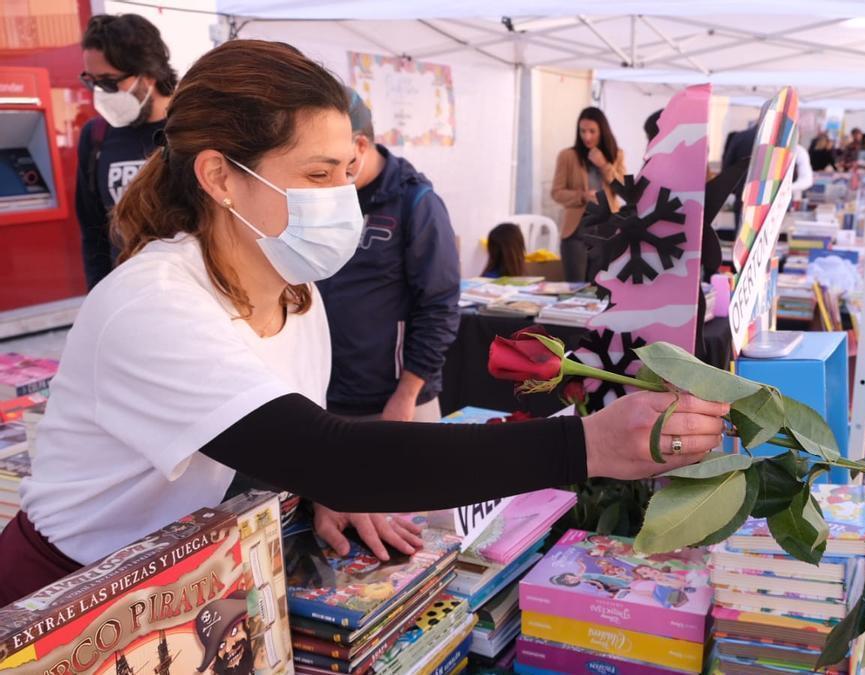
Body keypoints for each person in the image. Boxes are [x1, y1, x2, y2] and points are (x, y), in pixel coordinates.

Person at [0, 40, 729, 606]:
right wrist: (586, 444)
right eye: (316, 176)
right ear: (220, 177)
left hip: (192, 583)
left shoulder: (296, 291)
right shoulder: (151, 303)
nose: (339, 200)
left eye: (345, 174)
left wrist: (318, 489)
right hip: (70, 597)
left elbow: (276, 441)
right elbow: (328, 450)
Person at [316, 88, 459, 424]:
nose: (327, 173)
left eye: (335, 160)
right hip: (327, 394)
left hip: (395, 402)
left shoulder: (416, 202)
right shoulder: (324, 199)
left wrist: (407, 393)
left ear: (361, 145)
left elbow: (440, 305)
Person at [76, 14, 176, 289]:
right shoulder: (95, 136)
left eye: (108, 81)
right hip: (127, 294)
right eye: (91, 81)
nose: (100, 93)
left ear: (150, 73)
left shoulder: (192, 128)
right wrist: (99, 295)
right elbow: (92, 228)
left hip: (191, 297)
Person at [551, 107, 626, 282]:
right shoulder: (567, 156)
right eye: (583, 131)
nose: (587, 136)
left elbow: (623, 189)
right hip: (577, 229)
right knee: (575, 285)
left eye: (592, 131)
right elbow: (557, 193)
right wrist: (582, 195)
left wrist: (604, 165)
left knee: (602, 287)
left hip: (607, 228)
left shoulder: (616, 154)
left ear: (602, 131)